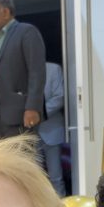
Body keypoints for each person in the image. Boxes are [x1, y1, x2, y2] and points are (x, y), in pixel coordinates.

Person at [0, 0, 46, 140]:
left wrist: (33, 107)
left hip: (20, 117)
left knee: (21, 156)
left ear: (5, 12)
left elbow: (37, 72)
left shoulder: (26, 32)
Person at [37, 61, 67, 195]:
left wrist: (39, 114)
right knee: (35, 179)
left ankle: (61, 206)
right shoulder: (22, 69)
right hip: (29, 133)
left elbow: (59, 97)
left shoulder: (53, 69)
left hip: (51, 130)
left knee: (56, 177)